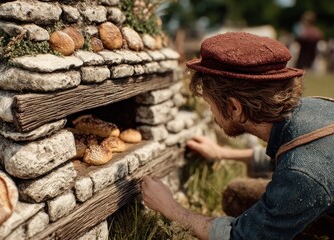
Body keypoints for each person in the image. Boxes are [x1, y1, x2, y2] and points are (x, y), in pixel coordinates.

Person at [141, 32, 334, 240]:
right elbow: (289, 155)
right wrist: (222, 153)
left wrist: (171, 208)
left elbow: (241, 237)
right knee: (237, 194)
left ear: (234, 107)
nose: (211, 113)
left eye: (210, 104)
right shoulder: (313, 110)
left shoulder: (301, 172)